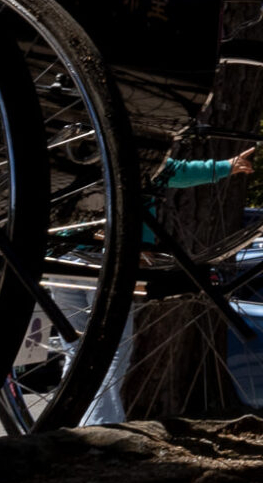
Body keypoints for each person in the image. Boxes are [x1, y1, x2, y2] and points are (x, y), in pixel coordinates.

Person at [83, 146, 253, 426]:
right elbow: (173, 171)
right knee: (110, 352)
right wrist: (225, 166)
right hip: (107, 255)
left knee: (78, 351)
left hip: (65, 253)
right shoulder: (134, 153)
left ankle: (80, 422)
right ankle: (99, 427)